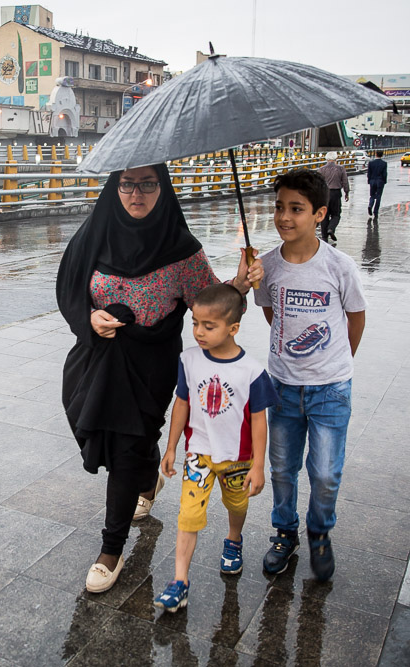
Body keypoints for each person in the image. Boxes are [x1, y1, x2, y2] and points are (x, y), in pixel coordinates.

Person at [56, 163, 264, 593]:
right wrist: (88, 318)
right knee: (112, 438)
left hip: (150, 366)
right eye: (127, 184)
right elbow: (69, 290)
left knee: (126, 446)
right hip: (96, 361)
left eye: (148, 184)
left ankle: (111, 550)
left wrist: (240, 285)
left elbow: (209, 301)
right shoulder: (94, 233)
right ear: (115, 187)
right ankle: (149, 476)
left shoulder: (180, 247)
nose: (137, 194)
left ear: (162, 188)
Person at [253, 169, 367, 582]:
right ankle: (285, 532)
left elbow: (356, 317)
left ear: (320, 213)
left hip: (330, 389)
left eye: (296, 209)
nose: (285, 217)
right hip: (282, 386)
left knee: (324, 471)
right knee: (282, 467)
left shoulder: (339, 265)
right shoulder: (266, 266)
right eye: (280, 207)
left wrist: (338, 361)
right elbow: (270, 312)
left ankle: (319, 531)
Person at [153, 284, 278, 612]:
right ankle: (179, 582)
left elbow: (260, 421)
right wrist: (171, 448)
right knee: (188, 515)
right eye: (195, 323)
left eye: (209, 326)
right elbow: (181, 403)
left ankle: (233, 540)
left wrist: (258, 465)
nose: (199, 332)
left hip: (238, 458)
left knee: (236, 505)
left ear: (233, 328)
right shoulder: (189, 360)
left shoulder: (251, 371)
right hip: (199, 455)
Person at [316, 151, 349, 243]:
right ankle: (331, 228)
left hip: (325, 194)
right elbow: (345, 182)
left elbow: (317, 183)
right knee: (336, 214)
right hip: (336, 193)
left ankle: (324, 237)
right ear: (336, 159)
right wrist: (347, 192)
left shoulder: (321, 169)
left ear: (326, 159)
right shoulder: (341, 169)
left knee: (324, 215)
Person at [366, 151, 387, 218]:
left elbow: (369, 173)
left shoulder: (371, 163)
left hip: (372, 181)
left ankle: (370, 205)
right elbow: (384, 174)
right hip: (380, 181)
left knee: (372, 195)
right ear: (382, 155)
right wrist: (384, 181)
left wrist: (369, 181)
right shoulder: (384, 163)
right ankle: (376, 211)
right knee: (378, 197)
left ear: (376, 154)